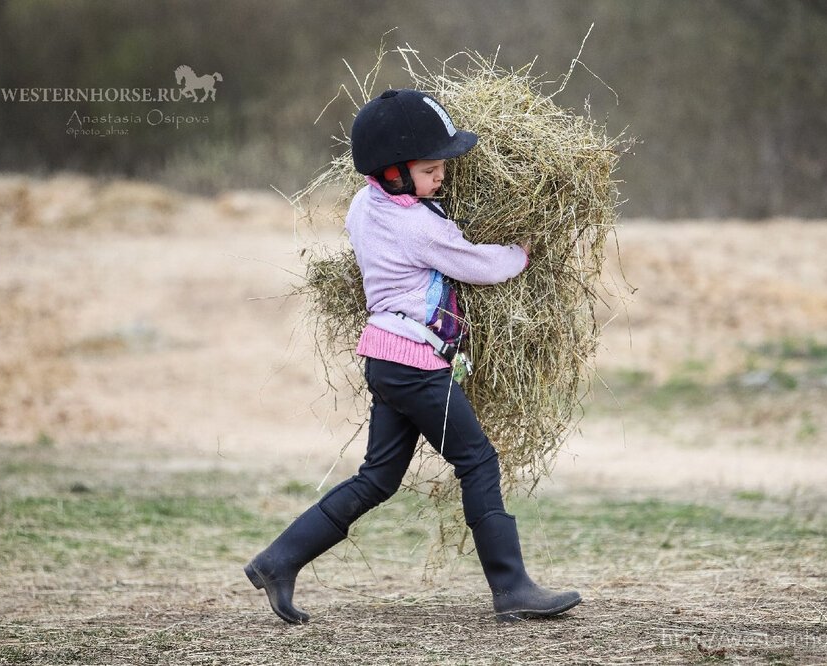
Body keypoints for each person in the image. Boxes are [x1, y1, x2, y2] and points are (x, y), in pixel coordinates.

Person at [245, 88, 581, 624]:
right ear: (394, 172)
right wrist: (519, 253)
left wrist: (427, 198)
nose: (440, 177)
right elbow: (473, 263)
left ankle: (278, 560)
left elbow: (404, 230)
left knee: (378, 478)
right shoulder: (416, 225)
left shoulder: (364, 206)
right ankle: (512, 587)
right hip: (415, 363)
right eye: (429, 170)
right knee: (477, 460)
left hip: (384, 358)